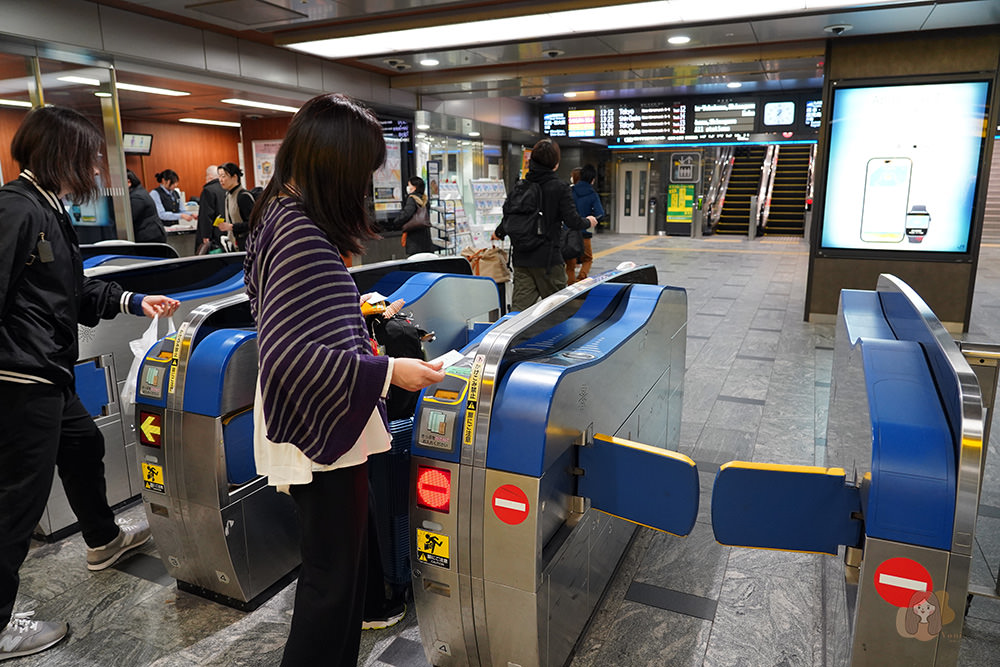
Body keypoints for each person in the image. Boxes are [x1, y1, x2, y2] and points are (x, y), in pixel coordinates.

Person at [243, 92, 445, 666]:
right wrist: (387, 372)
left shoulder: (274, 213)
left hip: (309, 414)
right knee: (333, 584)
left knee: (335, 573)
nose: (364, 183)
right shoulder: (299, 232)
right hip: (321, 424)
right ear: (335, 161)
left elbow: (291, 321)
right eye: (361, 168)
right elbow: (285, 352)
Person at [0, 105, 181, 661]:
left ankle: (102, 540)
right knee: (16, 504)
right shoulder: (16, 209)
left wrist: (133, 300)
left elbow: (70, 291)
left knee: (83, 444)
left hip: (46, 370)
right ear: (62, 156)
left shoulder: (49, 210)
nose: (96, 169)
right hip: (18, 376)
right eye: (88, 157)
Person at [493, 139, 597, 311]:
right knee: (558, 311)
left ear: (531, 161)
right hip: (548, 260)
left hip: (521, 259)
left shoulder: (520, 186)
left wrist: (499, 232)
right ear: (555, 164)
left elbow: (509, 216)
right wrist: (589, 221)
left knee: (519, 313)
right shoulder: (560, 187)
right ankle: (556, 339)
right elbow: (572, 220)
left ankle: (516, 338)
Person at [567, 163, 604, 285]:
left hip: (569, 233)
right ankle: (581, 279)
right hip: (585, 233)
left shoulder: (569, 191)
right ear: (592, 180)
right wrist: (591, 218)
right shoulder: (593, 195)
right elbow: (600, 213)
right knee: (587, 259)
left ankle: (570, 286)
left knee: (570, 263)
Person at [392, 176, 436, 256]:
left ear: (414, 187)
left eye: (409, 185)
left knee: (415, 260)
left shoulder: (412, 198)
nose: (408, 187)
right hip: (425, 237)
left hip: (415, 237)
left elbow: (407, 213)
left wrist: (396, 222)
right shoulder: (424, 198)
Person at [216, 162, 254, 250]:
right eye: (219, 176)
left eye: (224, 176)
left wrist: (231, 226)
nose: (220, 180)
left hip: (247, 244)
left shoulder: (243, 196)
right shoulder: (228, 196)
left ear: (235, 177)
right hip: (235, 243)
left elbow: (254, 223)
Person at [125, 170, 166, 243]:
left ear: (129, 182)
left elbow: (129, 219)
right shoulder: (139, 191)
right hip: (153, 234)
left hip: (149, 237)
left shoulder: (137, 197)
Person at [195, 164, 226, 253]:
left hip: (212, 235)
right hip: (224, 231)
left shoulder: (208, 190)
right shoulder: (226, 188)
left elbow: (206, 215)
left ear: (210, 177)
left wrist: (205, 235)